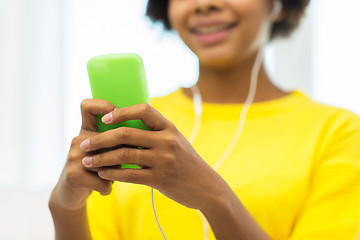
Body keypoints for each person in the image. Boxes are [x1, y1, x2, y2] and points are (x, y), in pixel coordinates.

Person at [49, 0, 360, 239]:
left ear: (278, 5)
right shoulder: (133, 125)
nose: (204, 4)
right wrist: (65, 206)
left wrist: (213, 197)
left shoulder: (338, 132)